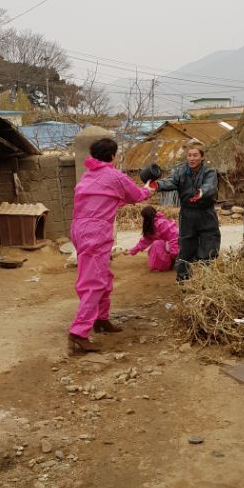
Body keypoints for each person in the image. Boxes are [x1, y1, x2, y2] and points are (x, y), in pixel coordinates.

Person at [69, 137, 152, 353]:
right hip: (95, 233)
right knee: (94, 282)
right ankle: (79, 331)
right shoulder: (115, 176)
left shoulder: (87, 176)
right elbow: (136, 195)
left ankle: (101, 318)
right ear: (113, 156)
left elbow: (108, 198)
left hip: (79, 229)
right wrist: (148, 189)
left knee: (103, 276)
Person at [151, 141, 220, 281]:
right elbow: (171, 181)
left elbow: (210, 186)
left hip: (206, 213)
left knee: (210, 243)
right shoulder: (181, 171)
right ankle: (183, 280)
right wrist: (157, 185)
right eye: (189, 155)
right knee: (186, 245)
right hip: (187, 214)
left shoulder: (209, 172)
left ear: (202, 157)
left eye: (195, 155)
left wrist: (201, 193)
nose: (192, 158)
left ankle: (207, 279)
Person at [128, 205, 179, 271]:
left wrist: (174, 254)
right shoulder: (151, 225)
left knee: (156, 244)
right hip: (169, 246)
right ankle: (170, 261)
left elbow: (174, 237)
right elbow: (145, 241)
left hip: (177, 246)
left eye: (144, 217)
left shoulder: (162, 223)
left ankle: (172, 262)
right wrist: (132, 251)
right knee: (154, 248)